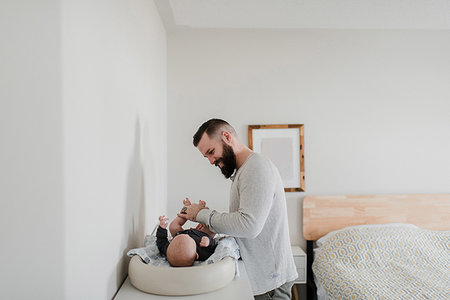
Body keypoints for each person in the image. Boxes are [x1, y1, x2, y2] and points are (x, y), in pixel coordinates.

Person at [177, 118, 298, 300]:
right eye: (206, 157)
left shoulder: (256, 168)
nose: (211, 161)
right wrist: (211, 227)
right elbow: (242, 221)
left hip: (271, 282)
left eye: (211, 152)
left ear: (226, 137)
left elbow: (249, 226)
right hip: (261, 277)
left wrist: (201, 214)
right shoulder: (243, 171)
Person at [156, 199, 217, 267]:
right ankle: (201, 211)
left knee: (173, 226)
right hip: (201, 235)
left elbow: (161, 242)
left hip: (180, 232)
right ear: (196, 255)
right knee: (212, 229)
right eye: (189, 238)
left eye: (175, 241)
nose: (186, 235)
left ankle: (185, 210)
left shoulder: (168, 251)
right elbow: (213, 246)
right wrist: (208, 242)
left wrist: (161, 229)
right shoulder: (203, 253)